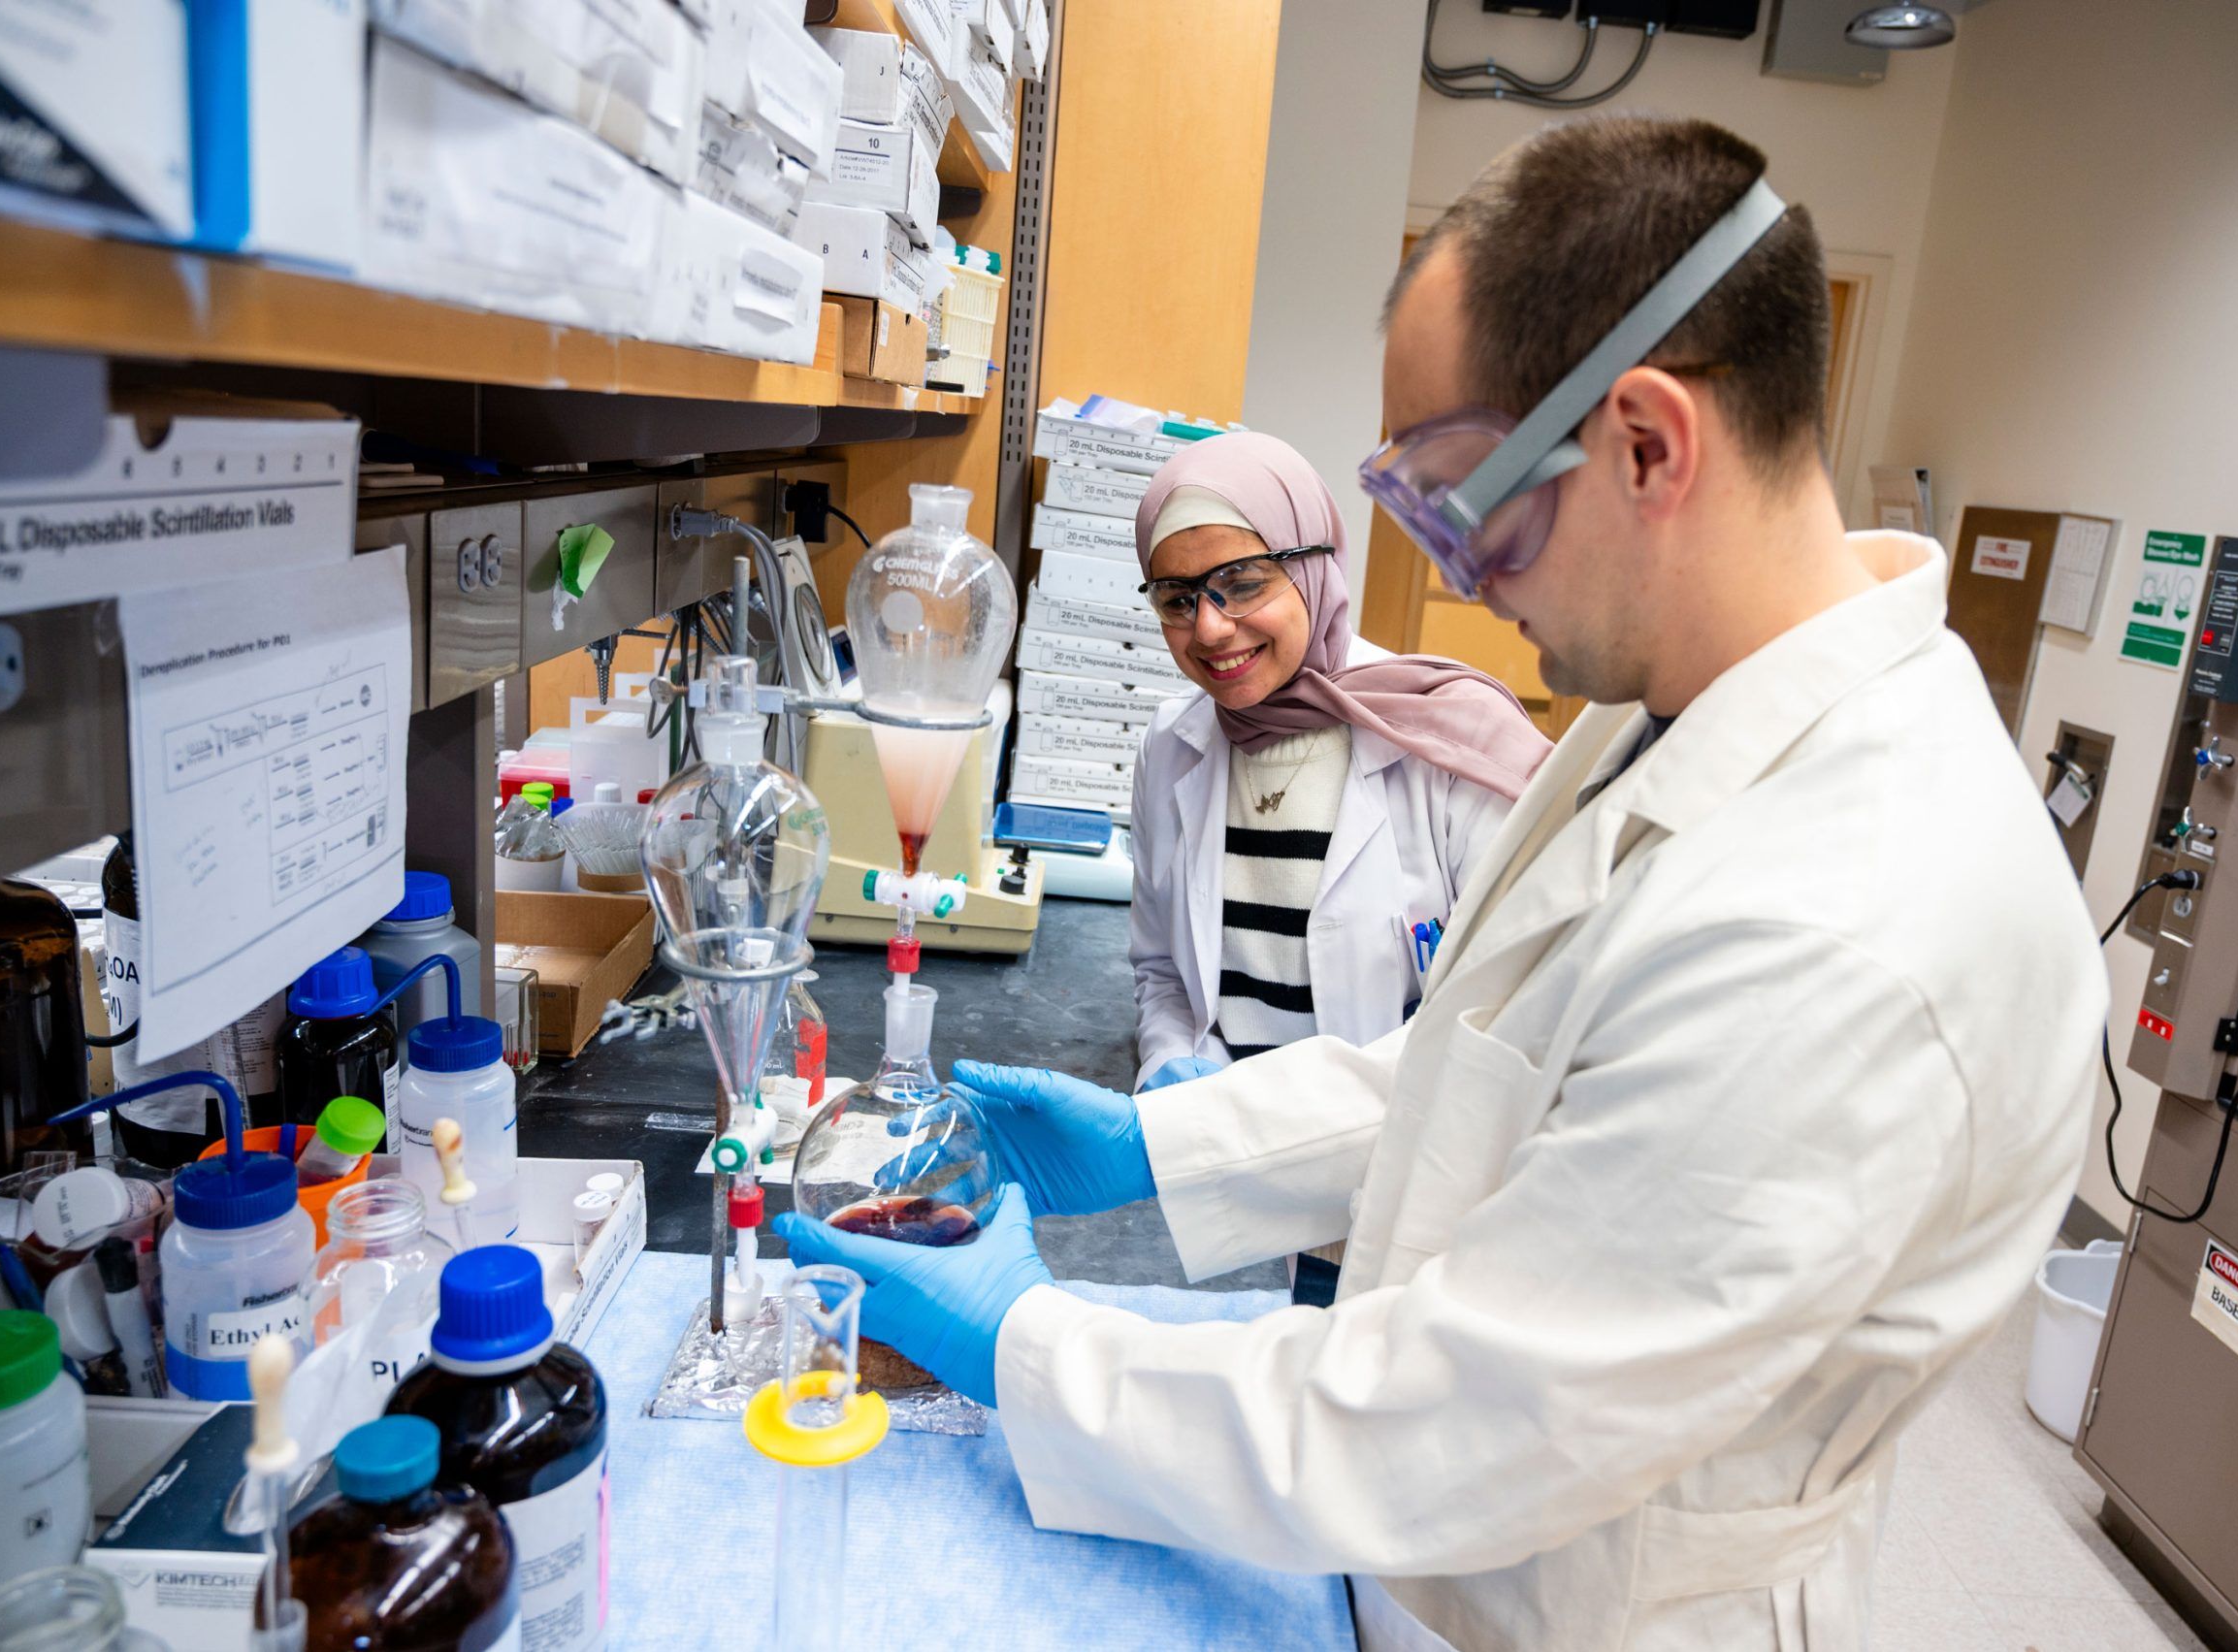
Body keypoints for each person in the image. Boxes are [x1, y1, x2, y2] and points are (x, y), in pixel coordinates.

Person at [780, 114, 2105, 1651]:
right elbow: (1493, 1061)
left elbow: (1454, 1426)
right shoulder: (1666, 707)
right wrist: (1166, 1140)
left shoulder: (1846, 919)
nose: (1451, 573)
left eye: (1452, 495)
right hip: (1458, 1561)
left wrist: (1027, 1341)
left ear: (1649, 443)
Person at [1124, 431, 1547, 1095]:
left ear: (1316, 567)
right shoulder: (1172, 743)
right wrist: (1171, 1061)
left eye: (1241, 582)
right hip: (1217, 1149)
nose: (1208, 628)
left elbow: (1509, 1009)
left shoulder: (1444, 735)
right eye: (1178, 598)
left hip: (1387, 1154)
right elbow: (1162, 970)